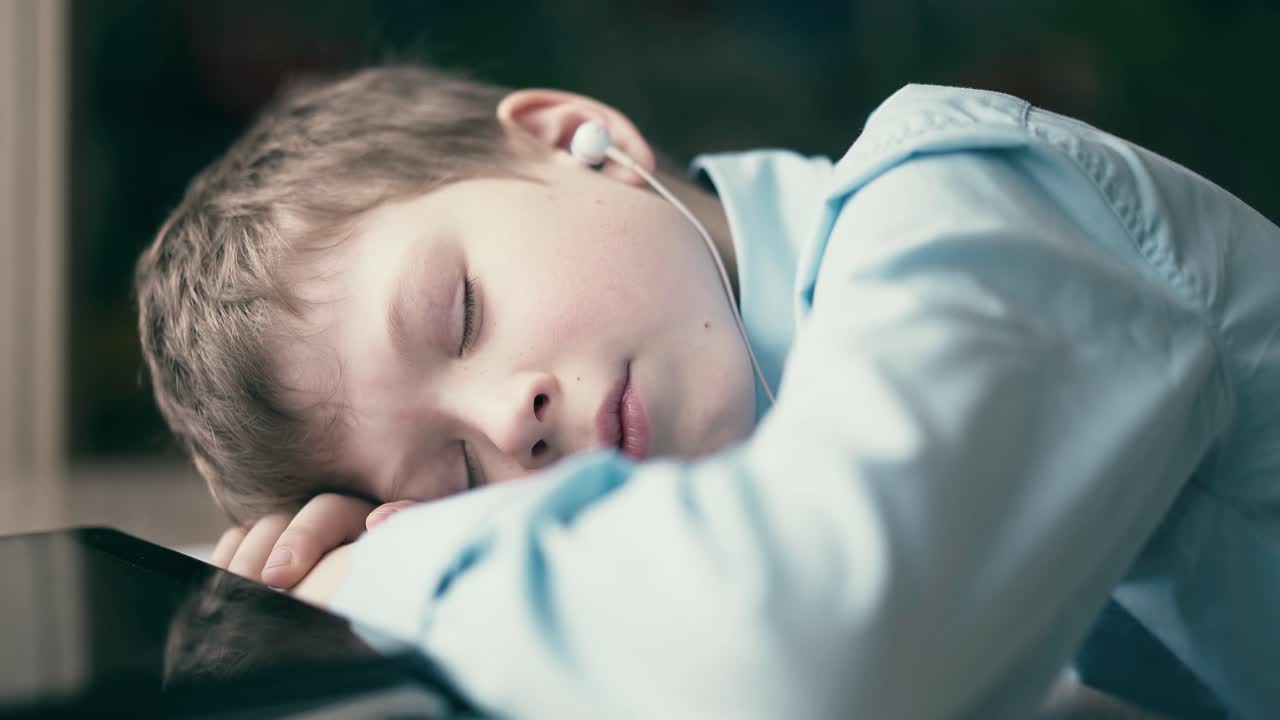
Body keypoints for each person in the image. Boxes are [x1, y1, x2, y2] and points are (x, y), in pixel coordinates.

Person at [135, 64, 1279, 718]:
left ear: (574, 139)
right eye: (455, 478)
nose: (508, 424)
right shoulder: (667, 562)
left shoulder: (963, 195)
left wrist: (379, 572)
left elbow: (823, 651)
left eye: (461, 315)